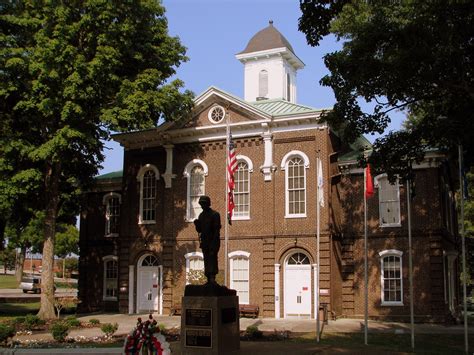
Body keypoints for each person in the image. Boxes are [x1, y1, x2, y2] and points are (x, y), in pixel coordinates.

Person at [194, 196, 221, 284]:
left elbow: (217, 230)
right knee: (206, 260)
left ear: (208, 204)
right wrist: (197, 225)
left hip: (213, 240)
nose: (202, 206)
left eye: (203, 204)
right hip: (205, 241)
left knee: (212, 258)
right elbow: (200, 230)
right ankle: (208, 278)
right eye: (201, 204)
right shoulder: (201, 215)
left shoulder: (215, 214)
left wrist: (214, 243)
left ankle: (213, 277)